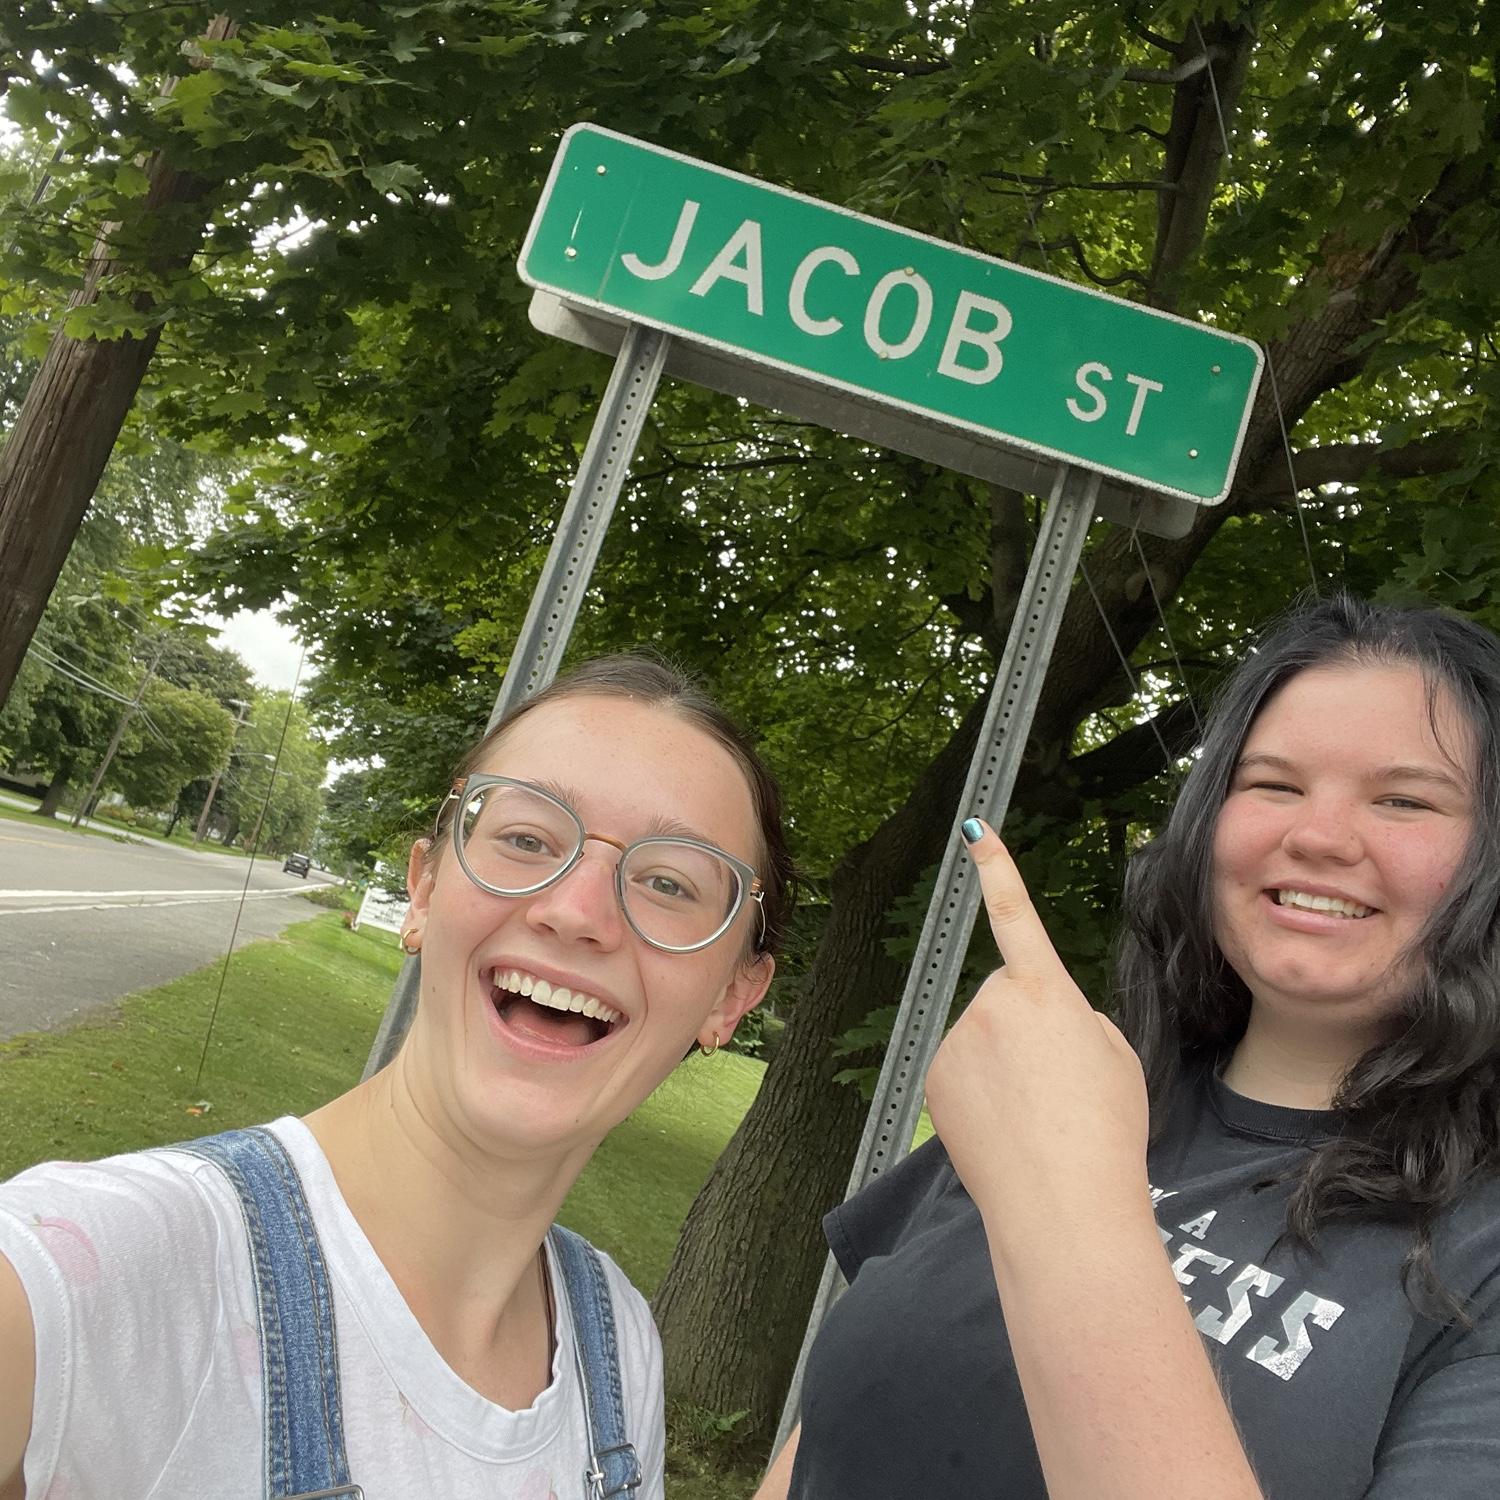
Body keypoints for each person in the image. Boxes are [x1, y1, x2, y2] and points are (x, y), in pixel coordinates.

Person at [0, 653, 793, 1500]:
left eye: (671, 883)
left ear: (733, 997)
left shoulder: (621, 1349)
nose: (577, 912)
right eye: (526, 839)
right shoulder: (97, 1272)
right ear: (423, 888)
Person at [760, 593, 1500, 1500]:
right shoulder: (1073, 1088)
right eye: (1271, 785)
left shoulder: (1483, 1260)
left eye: (1402, 799)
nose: (1315, 837)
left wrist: (1075, 1204)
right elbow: (827, 1436)